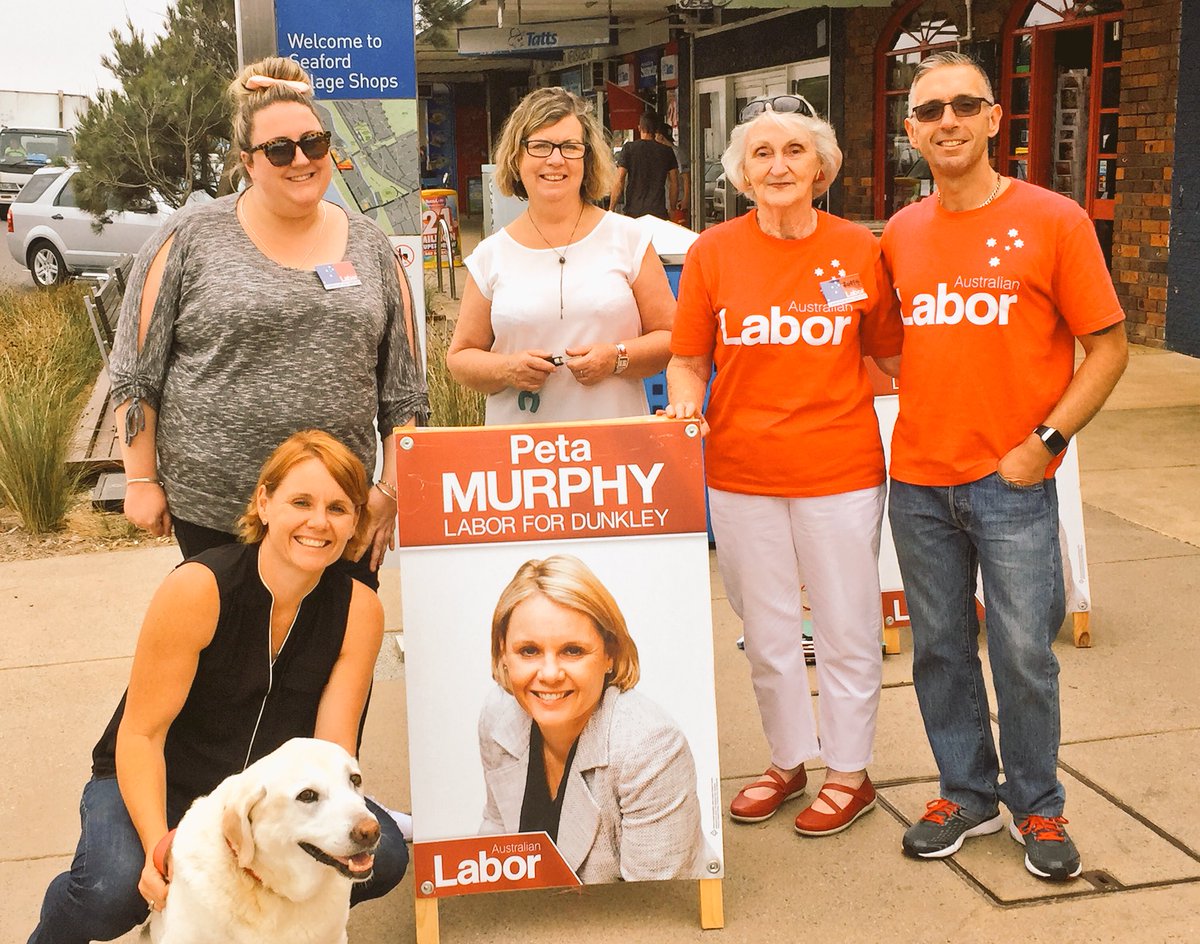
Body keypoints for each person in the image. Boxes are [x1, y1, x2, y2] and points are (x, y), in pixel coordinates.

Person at [881, 52, 1128, 881]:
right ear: (911, 131)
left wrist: (1046, 443)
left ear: (994, 119)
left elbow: (1108, 348)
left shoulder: (1056, 220)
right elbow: (889, 347)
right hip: (917, 481)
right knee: (940, 649)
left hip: (1013, 481)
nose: (946, 121)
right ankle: (966, 793)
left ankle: (1038, 807)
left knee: (1025, 654)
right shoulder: (903, 233)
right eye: (929, 111)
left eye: (963, 105)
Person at [28, 430, 408, 944]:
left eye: (339, 508)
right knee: (111, 889)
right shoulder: (198, 588)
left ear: (355, 522)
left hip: (265, 799)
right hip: (162, 778)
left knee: (380, 859)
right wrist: (160, 848)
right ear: (264, 502)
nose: (319, 522)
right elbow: (141, 736)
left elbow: (331, 752)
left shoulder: (359, 609)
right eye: (301, 501)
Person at [665, 95, 902, 837]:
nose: (778, 165)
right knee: (766, 631)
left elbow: (892, 355)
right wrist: (682, 409)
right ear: (740, 174)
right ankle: (787, 758)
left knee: (845, 625)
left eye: (795, 151)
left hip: (840, 468)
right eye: (762, 154)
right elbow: (687, 358)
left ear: (822, 168)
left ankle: (850, 771)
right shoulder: (712, 252)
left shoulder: (860, 250)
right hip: (740, 473)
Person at [108, 56, 427, 587]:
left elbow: (405, 392)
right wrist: (140, 479)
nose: (300, 159)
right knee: (226, 663)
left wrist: (388, 493)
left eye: (314, 143)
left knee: (336, 665)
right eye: (279, 149)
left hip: (335, 520)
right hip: (216, 513)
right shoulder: (191, 236)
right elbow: (135, 367)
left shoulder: (370, 245)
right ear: (247, 162)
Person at [447, 87, 674, 425]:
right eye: (539, 146)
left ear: (588, 158)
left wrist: (616, 357)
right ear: (516, 158)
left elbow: (673, 338)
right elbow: (460, 359)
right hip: (522, 458)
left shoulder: (629, 239)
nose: (555, 160)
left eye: (570, 147)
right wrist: (507, 369)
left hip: (617, 460)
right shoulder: (491, 255)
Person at [478, 555, 704, 883]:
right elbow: (497, 831)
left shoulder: (650, 747)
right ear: (503, 652)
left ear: (610, 653)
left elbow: (653, 905)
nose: (550, 674)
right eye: (529, 651)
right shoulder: (498, 716)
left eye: (573, 651)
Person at [609, 111, 679, 220]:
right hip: (658, 213)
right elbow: (674, 182)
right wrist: (673, 209)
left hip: (633, 213)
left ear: (639, 127)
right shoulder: (667, 152)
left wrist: (611, 209)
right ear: (656, 129)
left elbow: (619, 180)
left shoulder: (629, 149)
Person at [655, 120, 690, 226]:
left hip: (678, 202)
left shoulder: (677, 153)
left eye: (655, 135)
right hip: (667, 202)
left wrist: (685, 199)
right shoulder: (661, 153)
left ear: (660, 137)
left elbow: (686, 178)